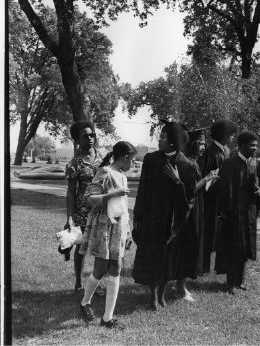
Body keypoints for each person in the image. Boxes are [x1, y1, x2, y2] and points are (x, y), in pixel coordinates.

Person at [132, 121, 197, 311]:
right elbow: (142, 189)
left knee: (168, 258)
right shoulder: (151, 159)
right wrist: (138, 216)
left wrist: (177, 181)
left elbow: (190, 198)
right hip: (153, 218)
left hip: (173, 222)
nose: (158, 140)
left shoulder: (186, 165)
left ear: (173, 141)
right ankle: (153, 297)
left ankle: (162, 295)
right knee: (153, 257)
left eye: (162, 137)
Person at [79, 141, 136, 329]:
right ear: (125, 157)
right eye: (133, 160)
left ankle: (107, 318)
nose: (133, 165)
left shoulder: (122, 175)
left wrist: (127, 232)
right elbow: (88, 199)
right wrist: (112, 194)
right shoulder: (105, 172)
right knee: (101, 268)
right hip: (103, 226)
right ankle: (85, 302)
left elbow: (124, 209)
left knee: (116, 268)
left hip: (118, 227)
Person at [167, 128, 218, 301]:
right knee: (186, 248)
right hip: (189, 211)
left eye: (204, 143)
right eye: (201, 143)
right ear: (192, 144)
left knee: (189, 248)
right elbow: (189, 191)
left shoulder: (191, 162)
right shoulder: (187, 164)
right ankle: (180, 288)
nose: (203, 147)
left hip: (195, 208)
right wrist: (207, 178)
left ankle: (181, 286)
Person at [215, 132, 260, 294]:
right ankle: (231, 282)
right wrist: (226, 211)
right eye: (252, 145)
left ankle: (241, 280)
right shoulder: (230, 163)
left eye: (256, 145)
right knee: (234, 247)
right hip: (234, 213)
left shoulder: (256, 164)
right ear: (242, 145)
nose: (255, 148)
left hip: (249, 212)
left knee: (245, 247)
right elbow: (224, 190)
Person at [65, 121, 104, 295]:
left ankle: (95, 284)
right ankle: (79, 283)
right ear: (76, 140)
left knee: (99, 247)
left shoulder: (103, 158)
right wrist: (70, 217)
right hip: (82, 210)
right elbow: (71, 193)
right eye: (85, 136)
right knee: (81, 248)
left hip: (101, 208)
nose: (90, 138)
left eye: (92, 135)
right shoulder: (74, 164)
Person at [198, 119, 238, 274]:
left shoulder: (225, 151)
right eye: (231, 134)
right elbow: (202, 176)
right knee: (208, 232)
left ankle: (215, 267)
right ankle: (203, 267)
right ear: (223, 134)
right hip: (210, 199)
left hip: (222, 198)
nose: (233, 137)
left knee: (218, 234)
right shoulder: (210, 153)